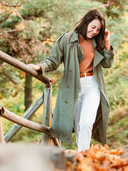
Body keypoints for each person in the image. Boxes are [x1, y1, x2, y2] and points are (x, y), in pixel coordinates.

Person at [28, 9, 114, 152]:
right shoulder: (67, 39)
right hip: (73, 87)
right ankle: (83, 157)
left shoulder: (96, 42)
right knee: (79, 127)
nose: (94, 32)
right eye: (93, 27)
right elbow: (53, 61)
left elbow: (107, 63)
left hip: (92, 85)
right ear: (86, 22)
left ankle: (84, 157)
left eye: (98, 30)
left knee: (87, 123)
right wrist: (39, 66)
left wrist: (106, 40)